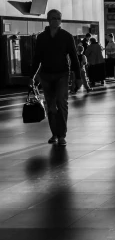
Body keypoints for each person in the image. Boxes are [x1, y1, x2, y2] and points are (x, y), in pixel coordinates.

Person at [31, 9, 81, 146]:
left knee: (62, 103)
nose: (56, 20)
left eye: (58, 18)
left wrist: (78, 77)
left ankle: (62, 135)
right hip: (46, 75)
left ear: (61, 20)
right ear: (48, 20)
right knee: (51, 106)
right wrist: (32, 75)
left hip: (62, 74)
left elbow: (74, 58)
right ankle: (54, 133)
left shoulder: (66, 36)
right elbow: (37, 59)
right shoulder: (41, 38)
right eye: (53, 18)